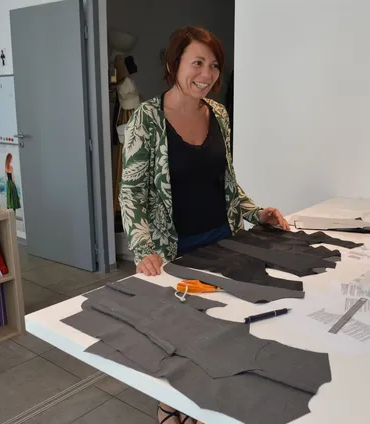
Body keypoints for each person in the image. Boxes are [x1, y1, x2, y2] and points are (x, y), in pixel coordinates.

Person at [119, 26, 289, 424]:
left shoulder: (219, 114)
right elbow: (131, 193)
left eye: (213, 65)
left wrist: (255, 212)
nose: (207, 74)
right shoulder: (147, 117)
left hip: (222, 242)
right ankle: (167, 404)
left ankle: (197, 407)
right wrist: (144, 251)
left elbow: (227, 181)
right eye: (197, 63)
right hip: (172, 250)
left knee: (216, 335)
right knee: (177, 338)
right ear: (173, 64)